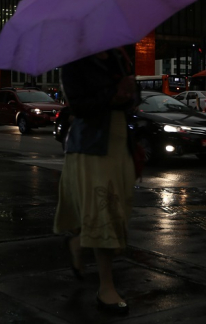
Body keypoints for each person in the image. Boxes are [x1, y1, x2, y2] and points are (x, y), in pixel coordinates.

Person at [53, 47, 138, 315]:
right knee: (105, 212)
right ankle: (106, 288)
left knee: (119, 212)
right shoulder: (74, 62)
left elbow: (131, 99)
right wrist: (114, 95)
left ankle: (78, 243)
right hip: (90, 145)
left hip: (118, 143)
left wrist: (128, 93)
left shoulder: (117, 59)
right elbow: (78, 105)